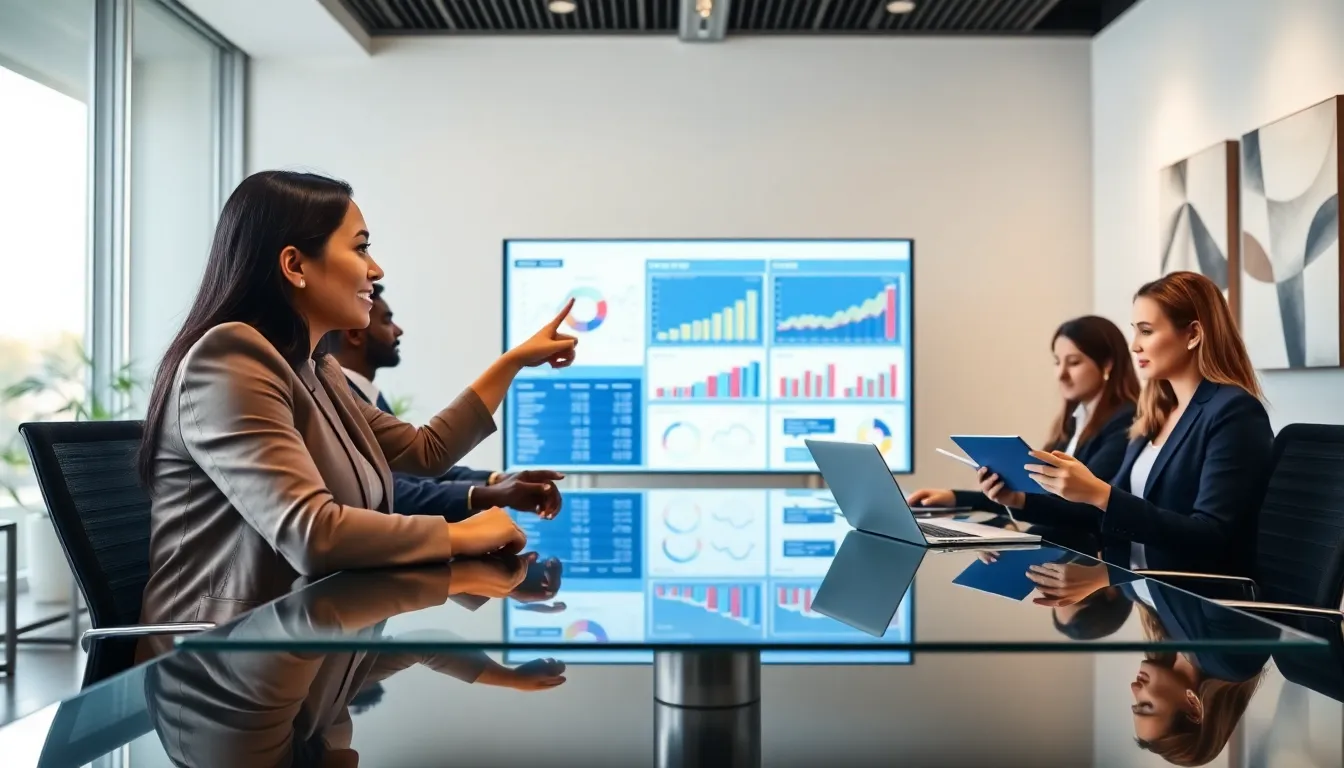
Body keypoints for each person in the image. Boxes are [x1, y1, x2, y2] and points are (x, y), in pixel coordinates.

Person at [135, 170, 578, 645]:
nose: (376, 270)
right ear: (295, 265)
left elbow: (425, 451)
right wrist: (462, 535)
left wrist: (513, 362)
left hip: (307, 645)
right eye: (361, 248)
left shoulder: (315, 368)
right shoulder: (231, 358)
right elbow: (313, 534)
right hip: (222, 667)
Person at [978, 271, 1273, 576]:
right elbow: (1101, 515)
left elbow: (1210, 536)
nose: (1134, 346)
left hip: (1192, 601)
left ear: (1193, 334)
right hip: (1135, 589)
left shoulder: (1234, 413)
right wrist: (1019, 499)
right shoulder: (1157, 414)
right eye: (1135, 331)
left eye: (1146, 331)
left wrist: (1101, 494)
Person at [326, 284, 561, 521]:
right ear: (354, 334)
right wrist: (488, 494)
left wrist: (495, 480)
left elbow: (412, 469)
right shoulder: (336, 396)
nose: (398, 331)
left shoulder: (362, 395)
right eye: (387, 321)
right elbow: (405, 473)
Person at [907, 315, 1140, 518]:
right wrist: (956, 497)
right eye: (1057, 362)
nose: (1061, 374)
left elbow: (1082, 510)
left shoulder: (1125, 421)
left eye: (1074, 363)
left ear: (1107, 364)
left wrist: (1017, 504)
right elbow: (1039, 499)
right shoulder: (1076, 421)